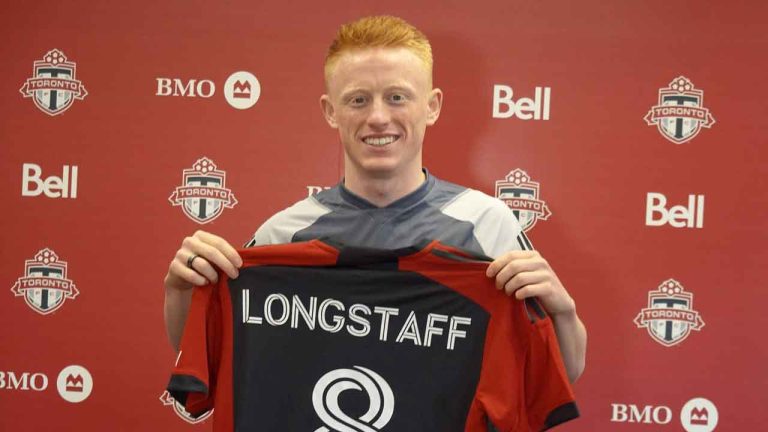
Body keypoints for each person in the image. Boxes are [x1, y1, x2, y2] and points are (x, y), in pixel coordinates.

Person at [164, 15, 586, 383]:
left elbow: (560, 373)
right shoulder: (284, 234)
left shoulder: (488, 224)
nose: (378, 117)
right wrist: (180, 290)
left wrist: (562, 311)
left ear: (432, 106)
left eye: (397, 97)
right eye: (358, 99)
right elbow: (213, 356)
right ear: (331, 112)